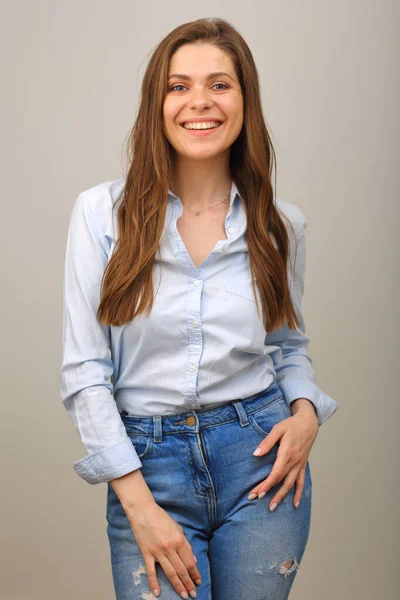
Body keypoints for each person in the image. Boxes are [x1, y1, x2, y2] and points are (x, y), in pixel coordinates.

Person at [60, 17, 338, 600]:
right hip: (149, 467)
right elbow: (85, 373)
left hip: (261, 463)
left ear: (244, 101)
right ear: (157, 103)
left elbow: (287, 348)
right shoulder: (101, 215)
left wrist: (307, 412)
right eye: (179, 86)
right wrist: (137, 501)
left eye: (220, 84)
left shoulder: (280, 225)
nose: (199, 102)